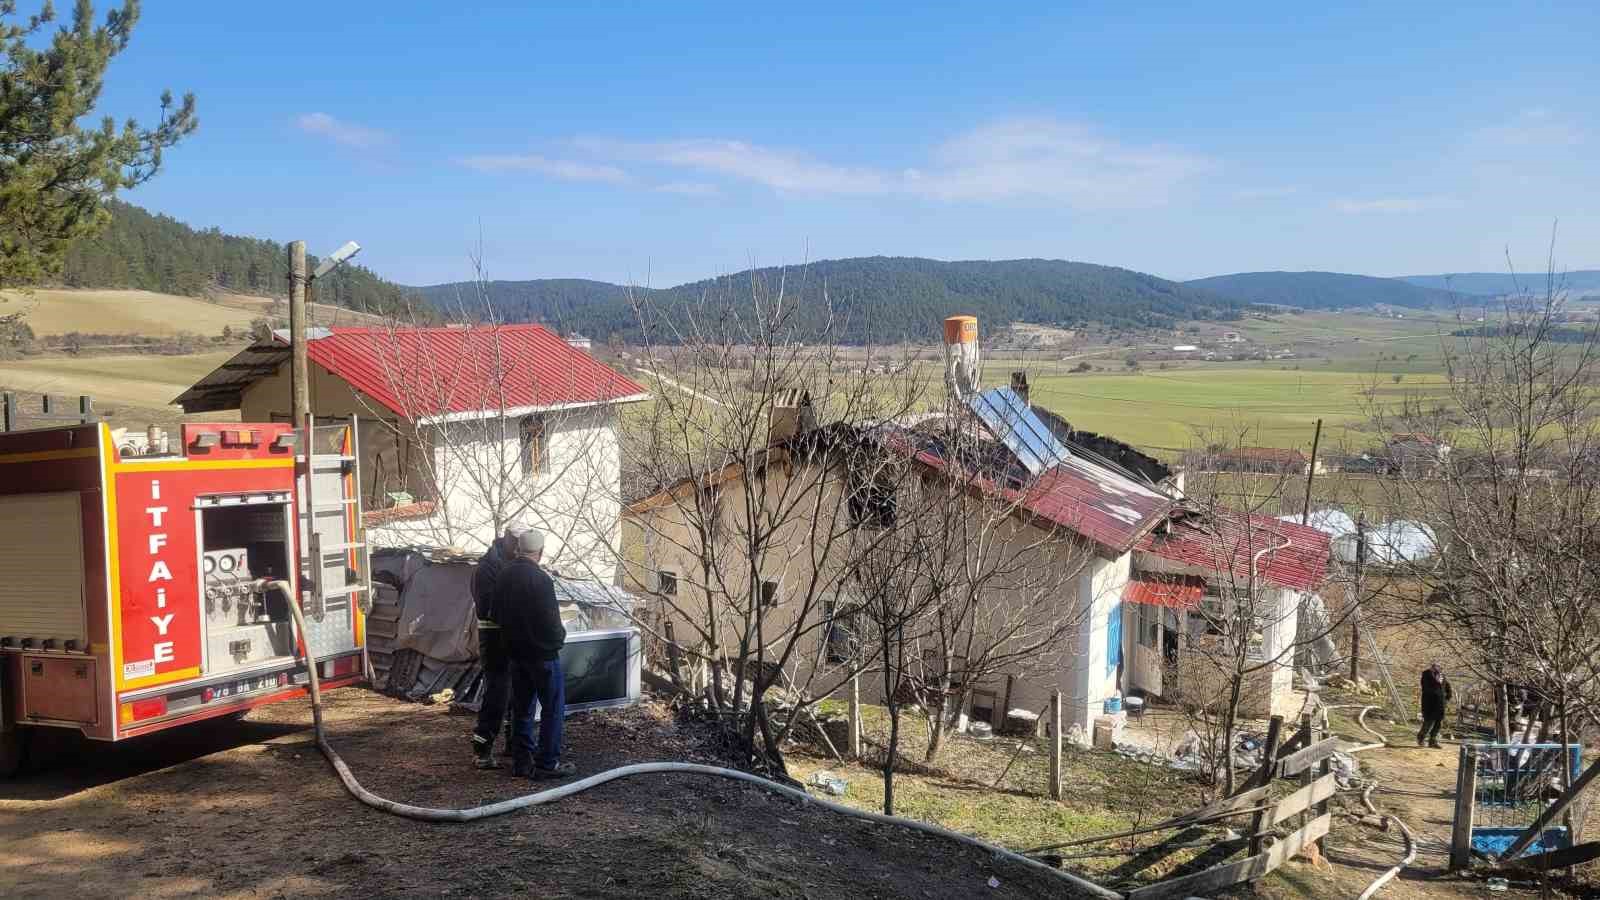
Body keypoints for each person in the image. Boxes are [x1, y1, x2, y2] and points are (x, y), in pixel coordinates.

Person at [493, 528, 575, 778]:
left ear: (518, 549)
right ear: (539, 553)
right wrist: (557, 640)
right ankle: (547, 763)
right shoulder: (541, 580)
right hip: (543, 656)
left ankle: (521, 762)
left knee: (522, 709)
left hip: (516, 655)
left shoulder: (503, 576)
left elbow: (494, 614)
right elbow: (551, 621)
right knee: (552, 708)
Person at [469, 526, 520, 769]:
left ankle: (513, 742)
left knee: (517, 694)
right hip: (494, 640)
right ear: (507, 540)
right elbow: (485, 608)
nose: (520, 548)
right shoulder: (486, 569)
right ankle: (482, 748)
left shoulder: (513, 562)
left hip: (514, 637)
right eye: (517, 542)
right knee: (497, 694)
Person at [1418, 662, 1452, 748]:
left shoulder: (1442, 676)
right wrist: (1436, 691)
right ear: (1433, 667)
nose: (1439, 668)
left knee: (1438, 723)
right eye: (1437, 667)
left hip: (1440, 704)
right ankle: (1421, 738)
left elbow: (1447, 687)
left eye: (1440, 667)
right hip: (1430, 703)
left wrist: (1447, 697)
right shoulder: (1427, 675)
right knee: (1428, 722)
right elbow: (1426, 688)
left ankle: (1432, 741)